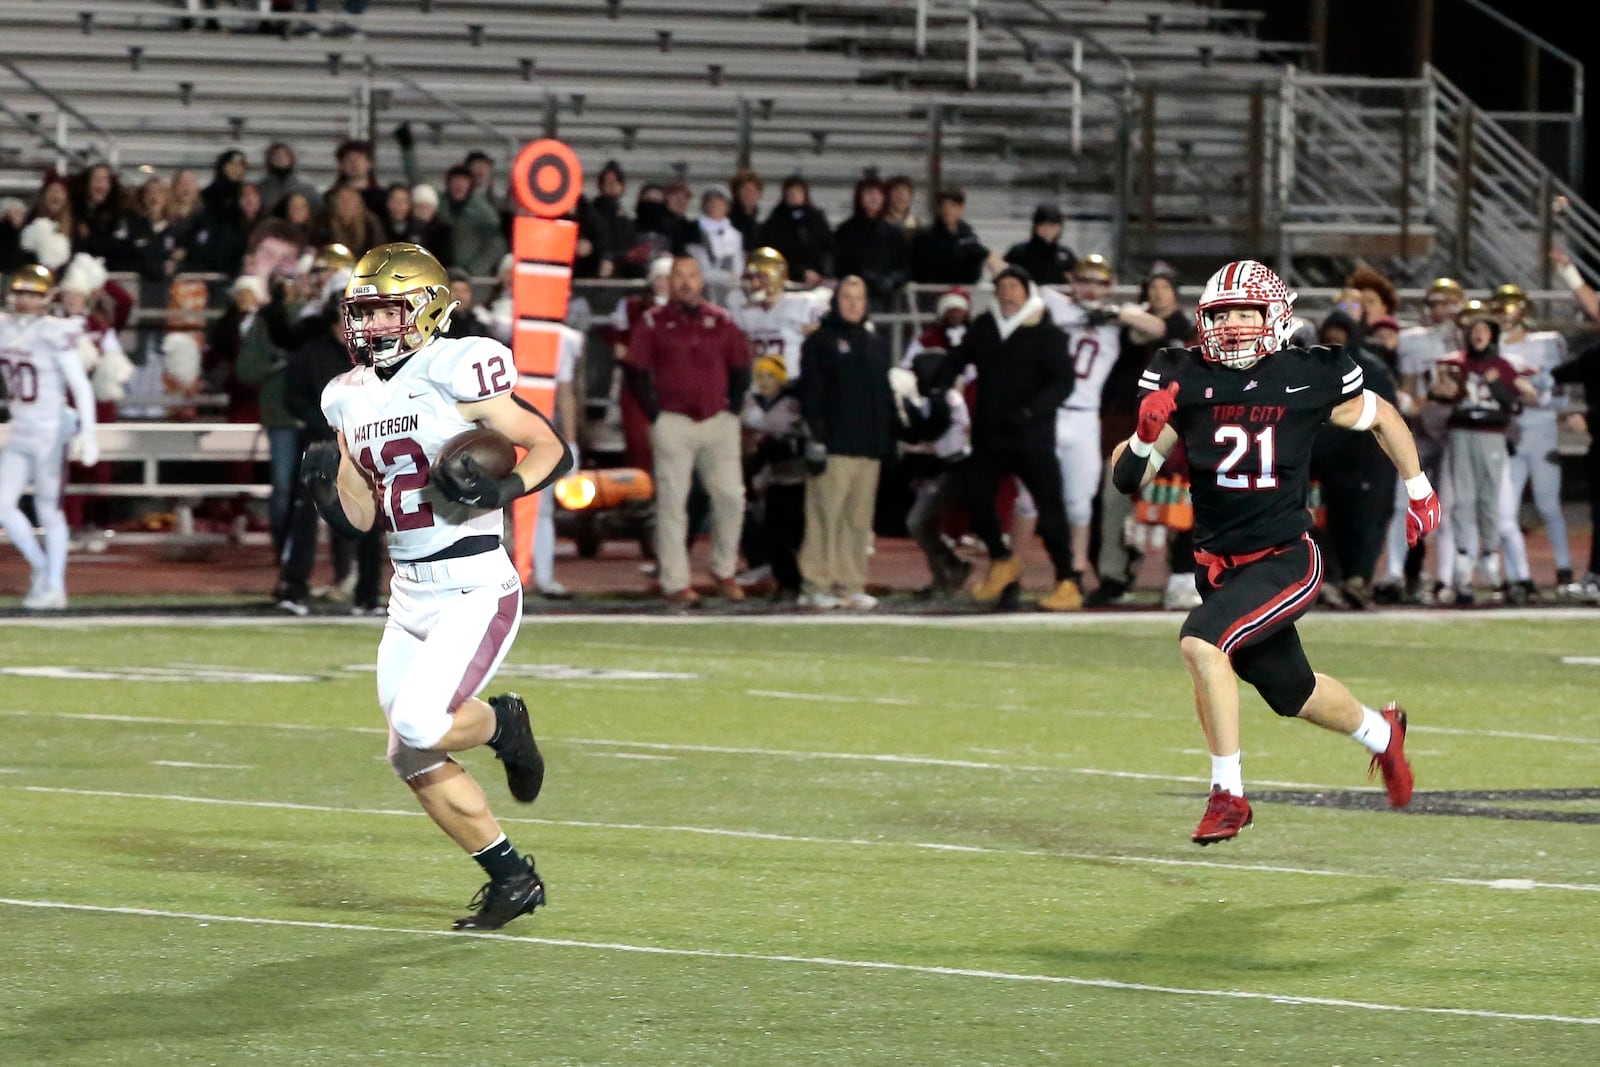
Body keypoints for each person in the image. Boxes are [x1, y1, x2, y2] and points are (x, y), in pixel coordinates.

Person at [1109, 259, 1435, 844]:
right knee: (1294, 693)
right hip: (1219, 565)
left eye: (1244, 313)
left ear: (1276, 317)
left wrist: (1418, 488)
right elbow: (1128, 477)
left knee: (1202, 642)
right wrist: (1141, 434)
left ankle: (1228, 795)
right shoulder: (1185, 375)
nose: (1232, 325)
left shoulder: (1307, 374)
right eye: (1222, 314)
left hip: (1286, 556)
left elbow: (1382, 416)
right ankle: (1384, 735)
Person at [303, 241, 572, 930]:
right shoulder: (346, 395)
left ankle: (503, 722)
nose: (371, 326)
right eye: (362, 312)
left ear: (426, 311)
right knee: (407, 751)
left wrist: (501, 486)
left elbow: (550, 448)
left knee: (423, 721)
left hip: (476, 584)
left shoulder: (459, 366)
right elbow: (366, 513)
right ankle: (512, 876)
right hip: (411, 592)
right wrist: (328, 496)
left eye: (386, 311)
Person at [934, 265, 1082, 610]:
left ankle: (1067, 580)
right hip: (990, 432)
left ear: (1027, 291)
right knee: (976, 496)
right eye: (1002, 286)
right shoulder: (986, 327)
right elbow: (960, 358)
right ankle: (1002, 560)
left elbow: (1063, 382)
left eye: (1015, 285)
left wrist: (1032, 412)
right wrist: (937, 379)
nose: (1007, 292)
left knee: (1050, 508)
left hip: (1032, 435)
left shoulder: (1047, 333)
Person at [620, 255, 751, 604]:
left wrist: (732, 410)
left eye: (691, 275)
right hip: (673, 421)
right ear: (669, 281)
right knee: (672, 503)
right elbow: (635, 369)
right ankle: (675, 581)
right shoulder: (653, 322)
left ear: (701, 281)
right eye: (679, 276)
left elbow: (741, 366)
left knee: (731, 497)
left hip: (717, 420)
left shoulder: (721, 320)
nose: (685, 282)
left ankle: (723, 568)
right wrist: (655, 413)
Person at [1039, 253, 1165, 582]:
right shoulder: (1054, 305)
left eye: (1098, 283)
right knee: (1031, 499)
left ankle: (1076, 571)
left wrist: (1110, 312)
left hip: (1086, 416)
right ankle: (1010, 569)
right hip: (1046, 411)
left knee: (1080, 502)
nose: (1090, 289)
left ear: (1109, 287)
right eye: (1084, 281)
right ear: (1072, 282)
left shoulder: (1116, 321)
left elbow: (1156, 326)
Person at [0, 265, 100, 609]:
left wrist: (89, 432)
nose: (25, 300)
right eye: (21, 292)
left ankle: (55, 585)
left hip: (49, 432)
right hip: (21, 428)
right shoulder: (4, 327)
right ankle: (43, 568)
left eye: (33, 294)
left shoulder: (54, 332)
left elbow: (80, 385)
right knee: (2, 505)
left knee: (48, 510)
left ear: (47, 298)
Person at [797, 276, 897, 609]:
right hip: (834, 443)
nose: (853, 304)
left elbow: (882, 395)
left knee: (857, 520)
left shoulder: (874, 342)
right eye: (847, 298)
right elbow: (811, 395)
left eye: (859, 298)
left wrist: (885, 440)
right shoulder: (820, 341)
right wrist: (816, 439)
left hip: (867, 446)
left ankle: (850, 582)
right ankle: (816, 584)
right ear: (835, 301)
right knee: (825, 517)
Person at [1429, 300, 1536, 604]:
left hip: (1492, 434)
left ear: (1492, 335)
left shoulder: (1503, 365)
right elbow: (1439, 395)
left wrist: (1498, 384)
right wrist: (1447, 390)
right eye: (1473, 329)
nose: (1478, 334)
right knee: (1462, 498)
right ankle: (1463, 560)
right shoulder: (1456, 363)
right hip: (1461, 433)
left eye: (1483, 329)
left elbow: (1513, 402)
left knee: (1489, 498)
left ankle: (1489, 557)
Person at [1491, 283, 1577, 600]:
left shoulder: (1545, 344)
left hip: (1541, 431)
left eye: (1507, 307)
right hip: (1508, 431)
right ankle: (1516, 575)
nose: (1501, 314)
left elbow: (1559, 393)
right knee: (1506, 512)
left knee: (1547, 503)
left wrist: (1535, 398)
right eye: (1497, 307)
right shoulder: (1492, 346)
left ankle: (1565, 567)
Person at [726, 246, 826, 380]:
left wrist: (810, 329)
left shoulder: (804, 303)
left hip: (793, 383)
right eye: (750, 277)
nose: (755, 283)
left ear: (779, 276)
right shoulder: (740, 309)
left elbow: (827, 339)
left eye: (762, 277)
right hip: (758, 385)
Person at [1003, 204, 1076, 286]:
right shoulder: (1018, 252)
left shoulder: (1066, 255)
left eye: (1052, 226)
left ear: (1060, 227)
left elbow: (1075, 281)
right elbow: (1003, 277)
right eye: (1043, 226)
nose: (1048, 230)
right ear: (1035, 226)